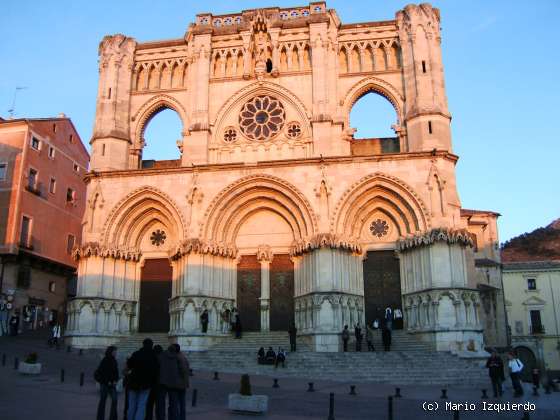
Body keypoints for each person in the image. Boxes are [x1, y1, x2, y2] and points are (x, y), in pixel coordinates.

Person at [126, 338, 158, 420]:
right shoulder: (154, 356)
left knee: (132, 404)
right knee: (142, 405)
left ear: (143, 344)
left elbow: (129, 366)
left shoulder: (136, 354)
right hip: (146, 384)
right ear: (151, 345)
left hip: (134, 383)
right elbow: (155, 371)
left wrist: (129, 359)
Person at [157, 344, 188, 420]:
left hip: (162, 382)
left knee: (161, 403)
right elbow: (183, 371)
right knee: (173, 404)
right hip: (174, 383)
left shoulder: (162, 356)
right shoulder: (178, 357)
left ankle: (161, 418)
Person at [95, 346, 119, 420]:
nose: (116, 353)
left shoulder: (114, 360)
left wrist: (116, 380)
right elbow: (102, 372)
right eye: (114, 351)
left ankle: (113, 418)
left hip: (112, 384)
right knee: (103, 401)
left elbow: (116, 373)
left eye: (116, 351)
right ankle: (100, 418)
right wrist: (107, 381)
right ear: (111, 351)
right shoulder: (105, 360)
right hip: (105, 384)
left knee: (114, 400)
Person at [145, 345, 163, 420]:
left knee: (149, 404)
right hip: (160, 385)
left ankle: (148, 418)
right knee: (159, 405)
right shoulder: (163, 359)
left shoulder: (149, 358)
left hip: (150, 384)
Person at [173, 344, 189, 420]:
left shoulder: (177, 358)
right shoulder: (183, 357)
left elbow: (183, 370)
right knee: (182, 403)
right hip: (183, 383)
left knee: (175, 403)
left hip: (178, 384)